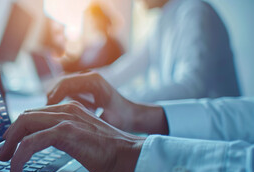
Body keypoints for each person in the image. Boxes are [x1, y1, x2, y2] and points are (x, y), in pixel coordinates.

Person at [0, 71, 254, 172]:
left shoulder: (195, 12)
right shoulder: (167, 18)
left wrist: (131, 154)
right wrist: (136, 115)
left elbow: (195, 83)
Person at [95, 0, 240, 102]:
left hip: (219, 135)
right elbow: (120, 72)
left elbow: (193, 86)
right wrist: (82, 86)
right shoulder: (162, 22)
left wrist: (119, 99)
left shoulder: (195, 11)